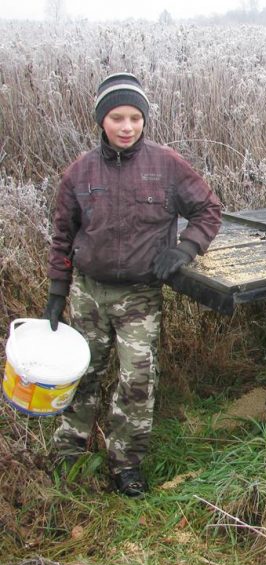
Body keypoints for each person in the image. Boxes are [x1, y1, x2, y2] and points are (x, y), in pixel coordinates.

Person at [43, 72, 222, 496]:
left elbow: (209, 210)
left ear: (144, 120)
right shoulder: (80, 172)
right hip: (89, 294)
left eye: (135, 118)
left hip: (141, 296)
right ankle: (68, 455)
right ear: (101, 120)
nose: (127, 127)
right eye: (117, 117)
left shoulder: (167, 165)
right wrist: (57, 291)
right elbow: (62, 236)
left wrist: (185, 249)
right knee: (82, 375)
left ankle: (126, 465)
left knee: (137, 382)